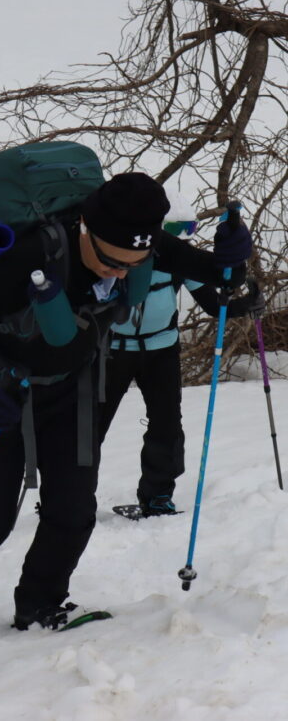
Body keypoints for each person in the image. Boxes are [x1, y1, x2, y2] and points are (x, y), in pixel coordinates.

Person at [0, 172, 252, 631]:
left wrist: (232, 254)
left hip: (72, 393)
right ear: (86, 227)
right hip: (6, 394)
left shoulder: (140, 242)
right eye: (111, 261)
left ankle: (40, 603)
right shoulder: (33, 254)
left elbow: (220, 275)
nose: (119, 273)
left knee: (74, 512)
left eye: (133, 265)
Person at [99, 196, 264, 516]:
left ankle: (158, 495)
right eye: (177, 230)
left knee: (167, 426)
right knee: (91, 426)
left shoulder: (179, 264)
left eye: (189, 230)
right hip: (113, 351)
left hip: (161, 350)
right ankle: (71, 496)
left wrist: (246, 305)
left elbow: (213, 305)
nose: (183, 238)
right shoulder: (122, 258)